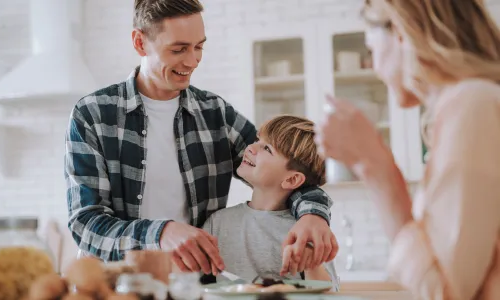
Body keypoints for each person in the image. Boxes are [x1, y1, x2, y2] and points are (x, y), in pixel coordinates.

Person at [65, 0, 338, 275]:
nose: (192, 61)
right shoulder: (93, 115)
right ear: (140, 43)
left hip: (193, 287)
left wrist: (314, 215)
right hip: (114, 287)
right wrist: (161, 232)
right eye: (179, 49)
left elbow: (286, 173)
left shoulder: (216, 114)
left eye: (199, 46)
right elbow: (85, 223)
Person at [315, 0, 500, 299]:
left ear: (401, 32)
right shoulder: (476, 102)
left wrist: (373, 164)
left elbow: (443, 292)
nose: (375, 67)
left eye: (372, 50)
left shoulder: (471, 104)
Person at [202, 115, 339, 290]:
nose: (250, 147)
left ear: (292, 179)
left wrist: (311, 263)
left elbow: (328, 292)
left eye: (267, 148)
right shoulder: (217, 223)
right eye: (257, 140)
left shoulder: (305, 230)